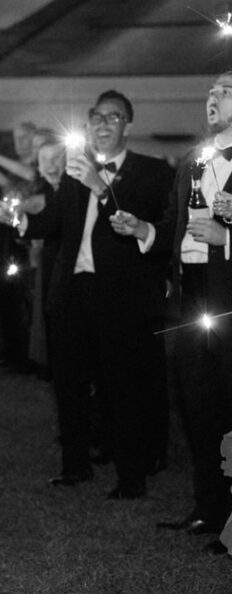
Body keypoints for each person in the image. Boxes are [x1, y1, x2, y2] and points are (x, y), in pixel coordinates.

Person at [22, 90, 173, 499]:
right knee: (68, 385)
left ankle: (131, 476)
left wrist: (101, 188)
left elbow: (140, 223)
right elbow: (50, 222)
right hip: (72, 293)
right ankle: (75, 466)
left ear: (127, 124)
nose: (103, 124)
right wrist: (16, 219)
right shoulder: (75, 174)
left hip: (120, 298)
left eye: (113, 117)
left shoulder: (151, 171)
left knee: (121, 387)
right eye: (96, 117)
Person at [112, 71, 232, 538]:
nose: (212, 97)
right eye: (210, 90)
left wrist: (227, 238)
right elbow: (173, 227)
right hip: (190, 306)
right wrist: (143, 230)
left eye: (225, 91)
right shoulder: (192, 163)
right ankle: (209, 507)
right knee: (199, 408)